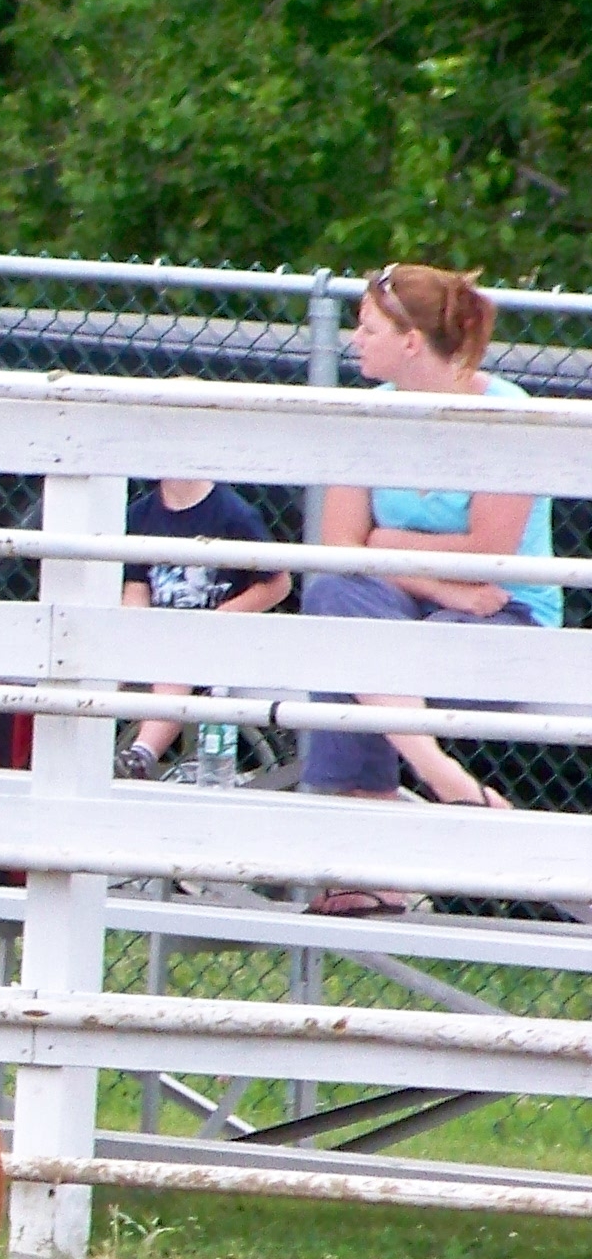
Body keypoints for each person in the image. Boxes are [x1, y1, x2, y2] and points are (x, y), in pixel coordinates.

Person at [299, 264, 555, 913]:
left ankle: (372, 864)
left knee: (362, 652)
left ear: (410, 341)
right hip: (412, 611)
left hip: (500, 617)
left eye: (368, 328)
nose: (354, 340)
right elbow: (339, 550)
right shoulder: (369, 414)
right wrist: (434, 582)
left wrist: (387, 547)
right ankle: (437, 773)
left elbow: (490, 556)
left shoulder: (507, 414)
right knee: (336, 597)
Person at [114, 479, 293, 779]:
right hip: (160, 632)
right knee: (109, 661)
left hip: (215, 637)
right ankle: (82, 743)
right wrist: (137, 631)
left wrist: (218, 618)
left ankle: (142, 752)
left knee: (178, 665)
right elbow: (137, 586)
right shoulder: (141, 514)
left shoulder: (233, 514)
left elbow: (278, 583)